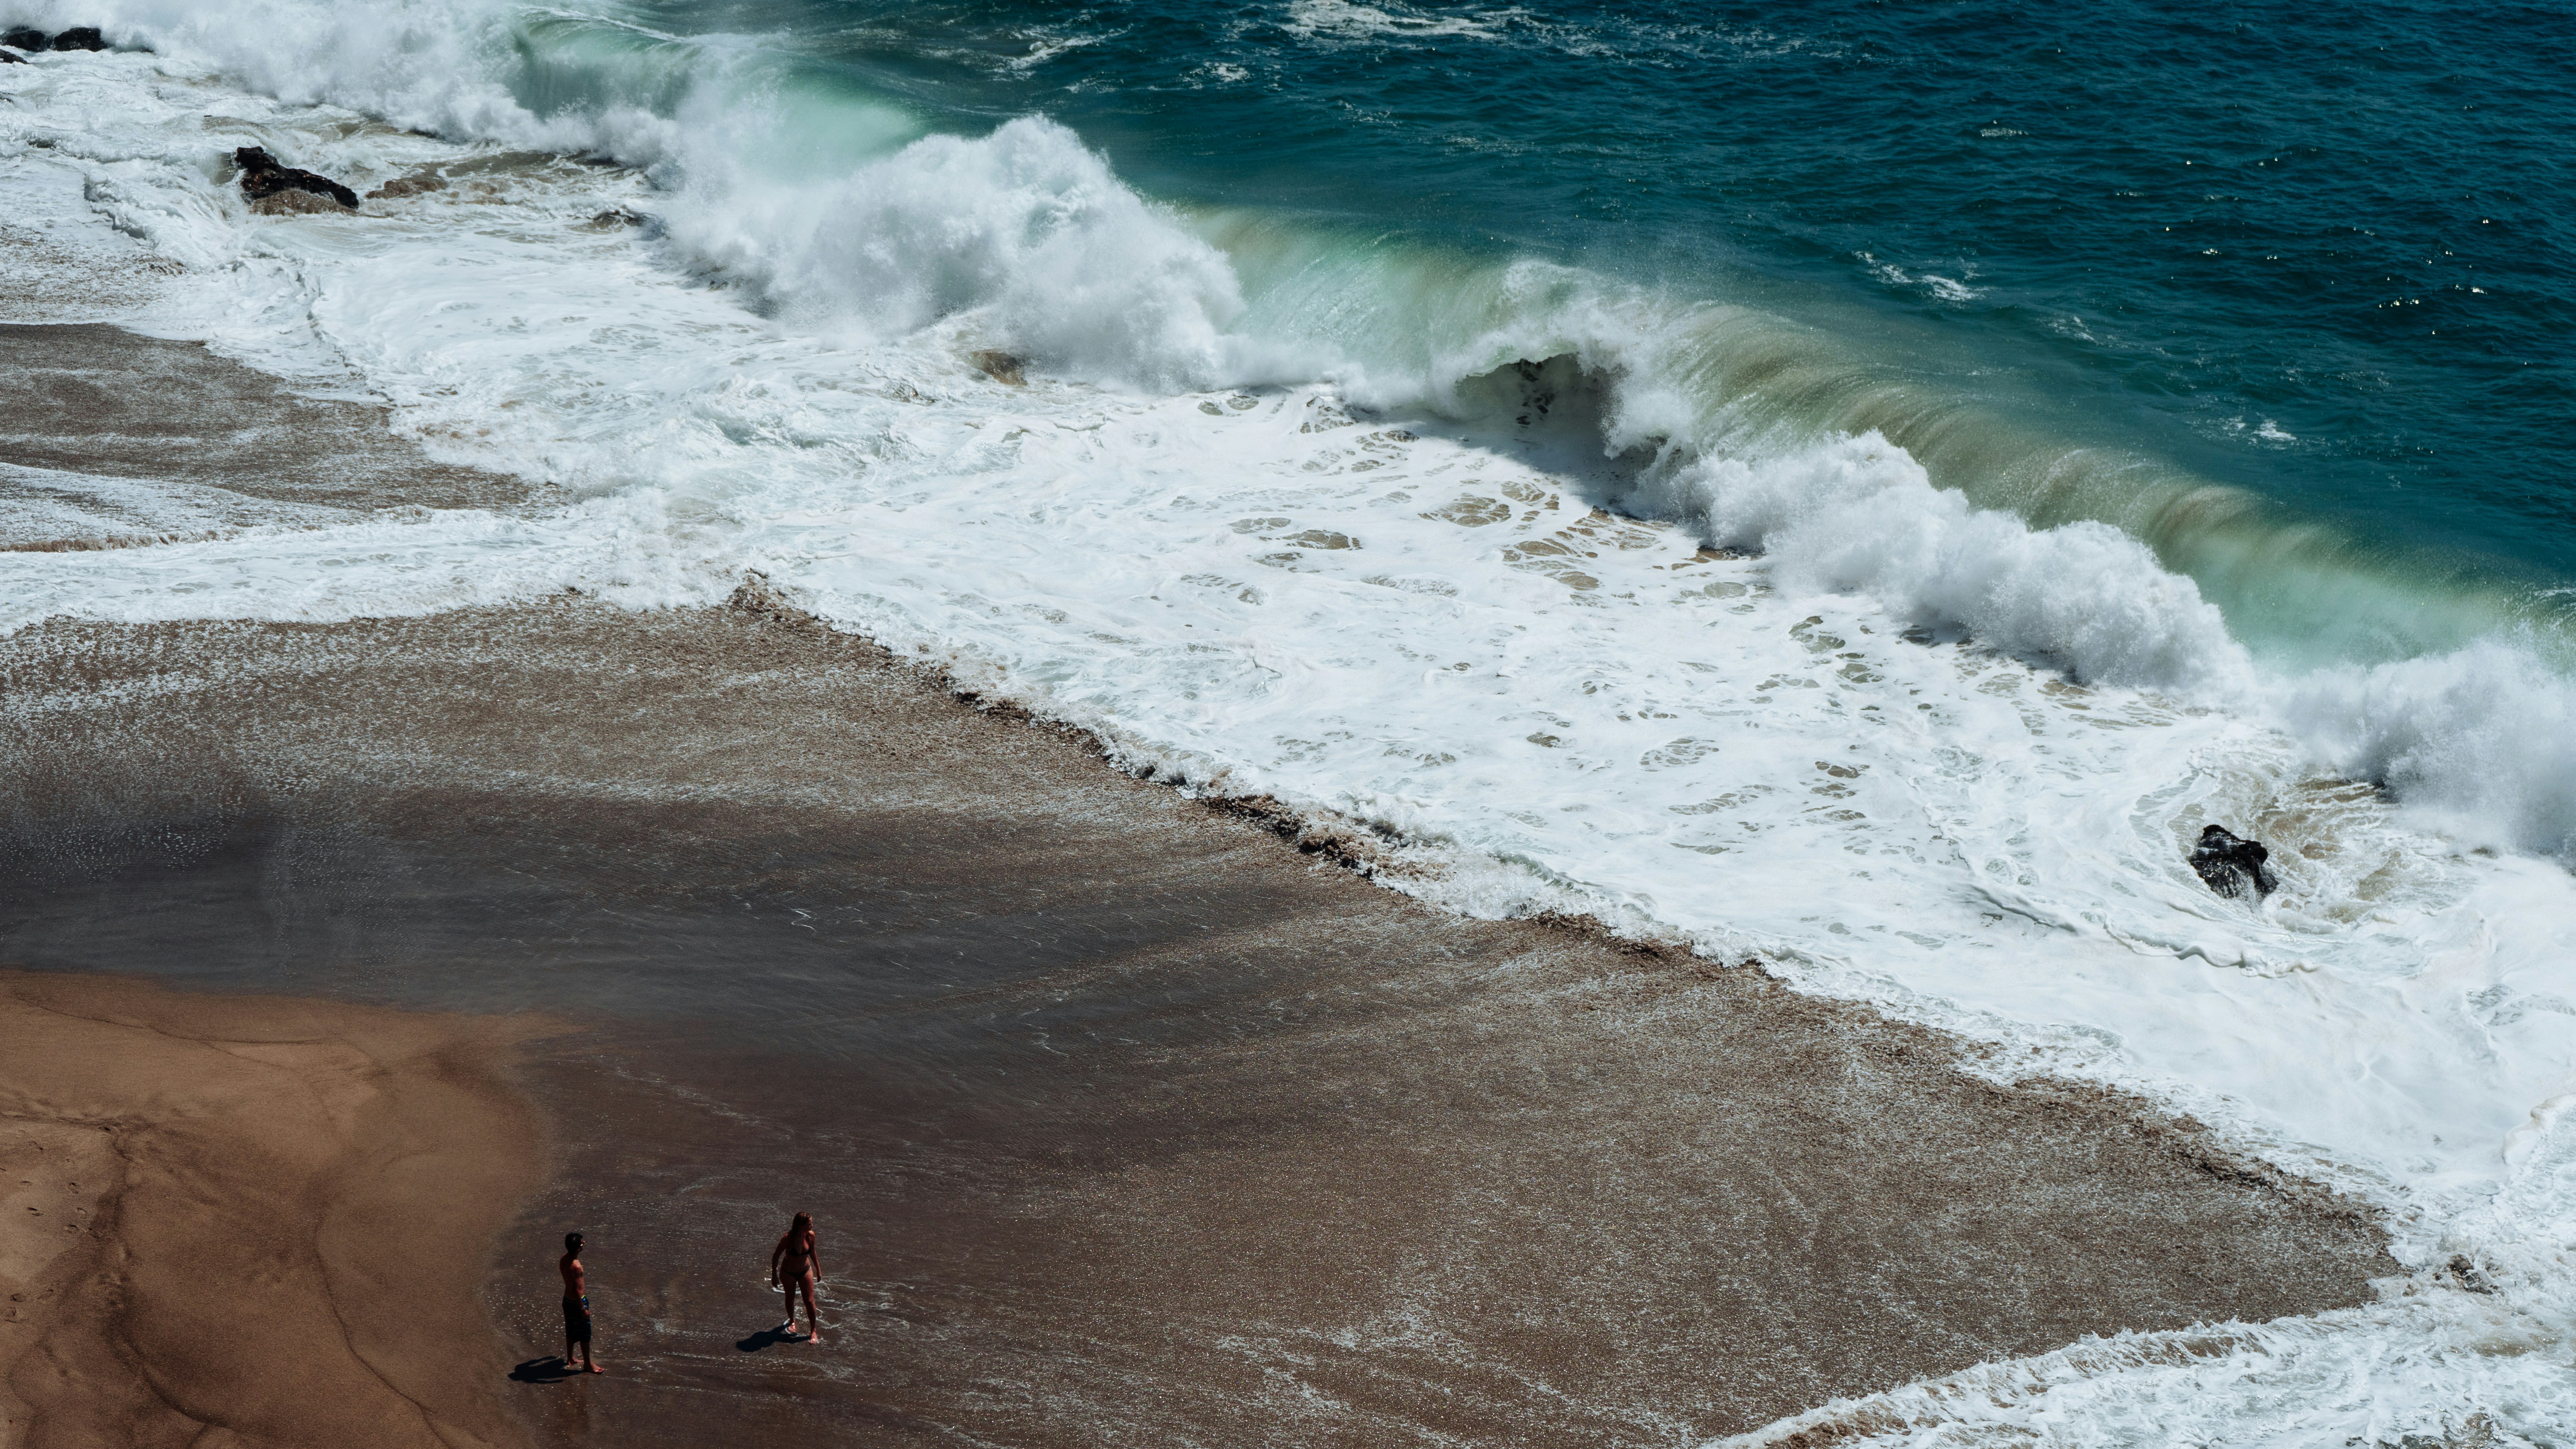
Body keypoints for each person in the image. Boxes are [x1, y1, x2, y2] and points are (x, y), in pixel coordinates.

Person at [769, 1212, 821, 1342]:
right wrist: (774, 1276)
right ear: (801, 1226)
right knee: (790, 1297)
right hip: (788, 1273)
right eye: (810, 1224)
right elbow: (776, 1257)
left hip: (805, 1271)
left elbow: (813, 1253)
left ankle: (813, 1331)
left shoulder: (811, 1236)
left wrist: (819, 1270)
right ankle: (792, 1321)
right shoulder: (788, 1238)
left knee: (809, 1301)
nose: (812, 1225)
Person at [559, 1231, 603, 1373]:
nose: (584, 1245)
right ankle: (588, 1364)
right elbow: (576, 1290)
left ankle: (570, 1358)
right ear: (578, 1248)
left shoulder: (564, 1259)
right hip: (578, 1303)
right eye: (583, 1243)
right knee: (585, 1333)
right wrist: (583, 1309)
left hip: (567, 1300)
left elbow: (569, 1285)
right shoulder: (576, 1266)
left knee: (571, 1329)